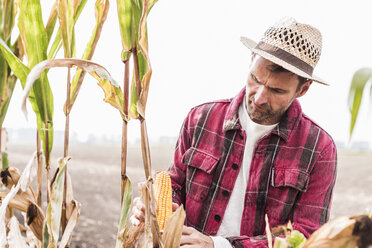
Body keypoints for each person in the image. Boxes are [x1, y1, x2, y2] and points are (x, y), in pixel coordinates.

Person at [131, 17, 337, 247]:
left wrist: (218, 245)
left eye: (276, 90)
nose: (259, 97)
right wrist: (156, 210)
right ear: (251, 61)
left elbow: (305, 235)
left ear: (303, 89)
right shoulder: (200, 119)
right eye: (255, 79)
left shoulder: (319, 148)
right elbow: (176, 185)